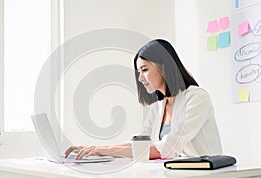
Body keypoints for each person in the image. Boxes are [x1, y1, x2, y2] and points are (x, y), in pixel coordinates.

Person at [65, 39, 223, 160]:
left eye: (145, 70)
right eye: (138, 71)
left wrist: (105, 151)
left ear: (164, 66)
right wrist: (96, 149)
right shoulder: (160, 105)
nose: (140, 78)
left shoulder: (196, 98)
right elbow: (141, 144)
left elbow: (168, 148)